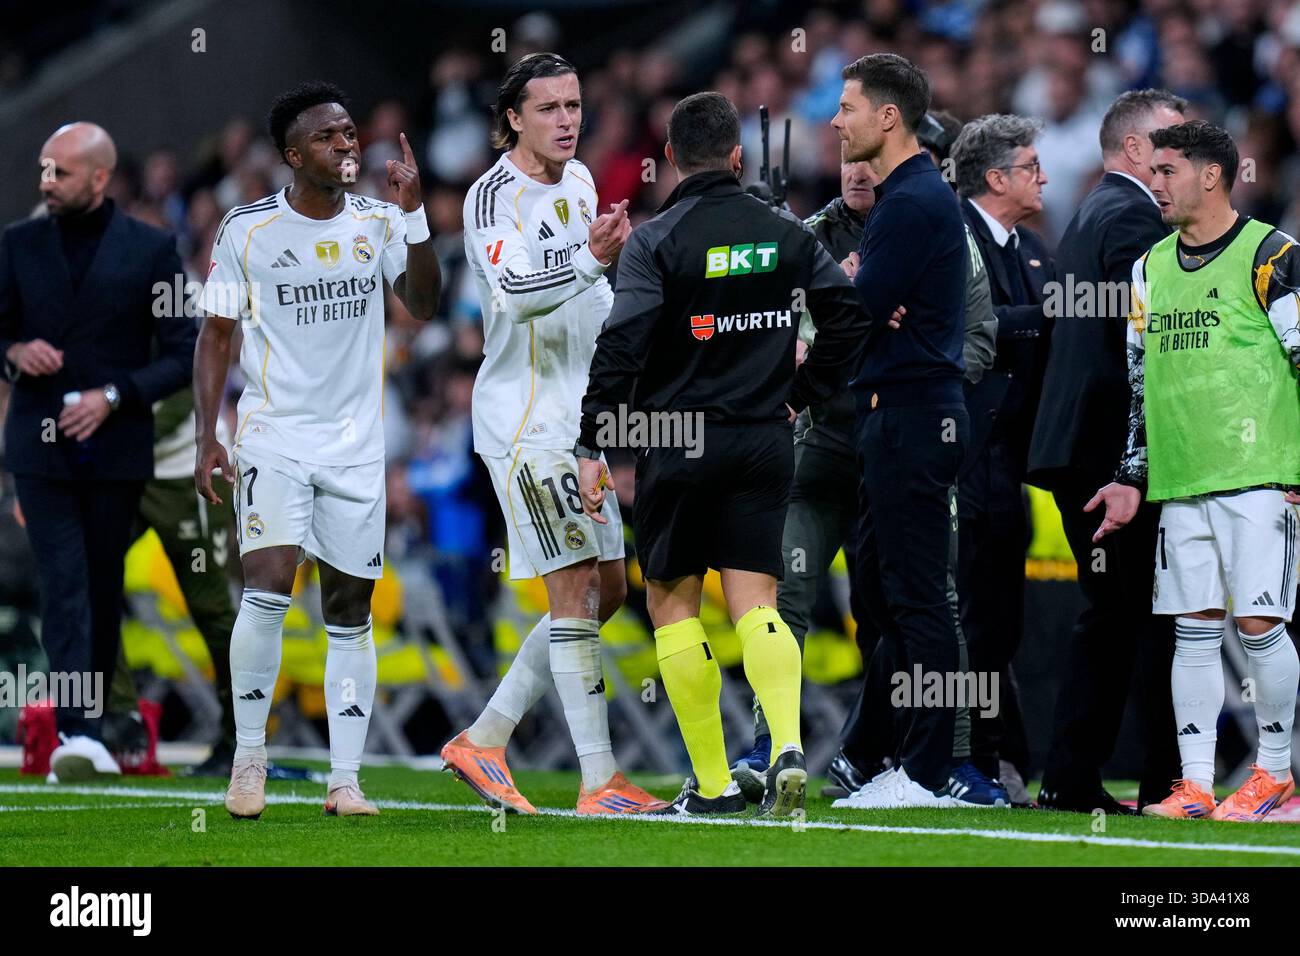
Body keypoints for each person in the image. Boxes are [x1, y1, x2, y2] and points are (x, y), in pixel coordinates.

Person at [576, 91, 866, 816]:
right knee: (757, 603)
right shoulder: (787, 232)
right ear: (738, 156)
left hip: (678, 441)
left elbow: (622, 346)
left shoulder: (655, 240)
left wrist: (595, 440)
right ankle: (790, 745)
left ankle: (710, 785)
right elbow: (848, 320)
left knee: (673, 605)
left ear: (671, 158)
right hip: (766, 439)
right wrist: (802, 391)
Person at [732, 128, 1006, 808]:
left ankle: (950, 759)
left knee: (917, 600)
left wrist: (907, 361)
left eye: (865, 158)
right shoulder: (802, 234)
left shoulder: (929, 225)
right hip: (824, 445)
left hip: (902, 431)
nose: (855, 169)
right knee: (785, 590)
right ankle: (776, 747)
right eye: (847, 159)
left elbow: (974, 337)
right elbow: (768, 332)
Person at [193, 81, 441, 819]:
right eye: (331, 137)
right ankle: (248, 762)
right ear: (294, 155)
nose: (348, 145)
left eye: (351, 132)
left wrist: (416, 214)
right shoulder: (246, 229)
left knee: (350, 610)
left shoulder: (377, 219)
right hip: (273, 433)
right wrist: (209, 433)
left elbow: (423, 304)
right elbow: (215, 336)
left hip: (357, 446)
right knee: (267, 586)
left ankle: (344, 780)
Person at [439, 52, 668, 816]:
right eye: (549, 108)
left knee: (604, 591)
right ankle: (599, 779)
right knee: (571, 587)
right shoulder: (491, 197)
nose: (567, 120)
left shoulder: (579, 182)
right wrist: (590, 260)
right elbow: (511, 294)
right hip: (525, 420)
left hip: (579, 422)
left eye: (574, 105)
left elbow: (588, 298)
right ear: (513, 117)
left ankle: (484, 736)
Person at [1090, 120, 1300, 822]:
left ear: (1213, 175)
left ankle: (1274, 775)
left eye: (1168, 169)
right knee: (1194, 632)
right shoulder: (1147, 269)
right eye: (1152, 170)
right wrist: (1131, 474)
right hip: (1182, 481)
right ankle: (1197, 786)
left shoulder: (1272, 254)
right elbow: (1139, 381)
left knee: (1262, 625)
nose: (1154, 182)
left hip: (1260, 474)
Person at [0, 122, 196, 781]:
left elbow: (182, 353)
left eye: (59, 171)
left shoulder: (150, 249)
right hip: (39, 447)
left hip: (116, 448)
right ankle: (75, 734)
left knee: (102, 587)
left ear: (100, 177)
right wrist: (14, 353)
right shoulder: (18, 244)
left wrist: (113, 394)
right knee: (63, 579)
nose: (45, 182)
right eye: (44, 169)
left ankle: (98, 727)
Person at [1028, 89, 1187, 815]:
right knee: (1149, 614)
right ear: (1135, 150)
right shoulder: (1130, 218)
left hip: (1077, 447)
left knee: (1116, 615)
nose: (1187, 160)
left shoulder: (1094, 212)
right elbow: (1152, 343)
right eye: (1174, 144)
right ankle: (1164, 780)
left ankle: (1073, 775)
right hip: (1109, 454)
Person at [827, 54, 971, 809]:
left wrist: (850, 292)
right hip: (899, 409)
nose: (834, 120)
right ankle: (897, 756)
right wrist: (858, 295)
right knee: (886, 602)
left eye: (846, 106)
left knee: (917, 597)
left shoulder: (911, 202)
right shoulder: (906, 198)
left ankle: (926, 770)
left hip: (914, 413)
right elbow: (862, 306)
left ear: (888, 116)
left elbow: (848, 314)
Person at [950, 113, 1056, 791]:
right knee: (963, 619)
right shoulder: (953, 237)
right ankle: (957, 758)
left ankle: (993, 758)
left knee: (999, 621)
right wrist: (1050, 315)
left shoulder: (1031, 248)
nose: (1043, 177)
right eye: (1030, 166)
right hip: (959, 452)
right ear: (996, 178)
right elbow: (975, 327)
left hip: (1008, 461)